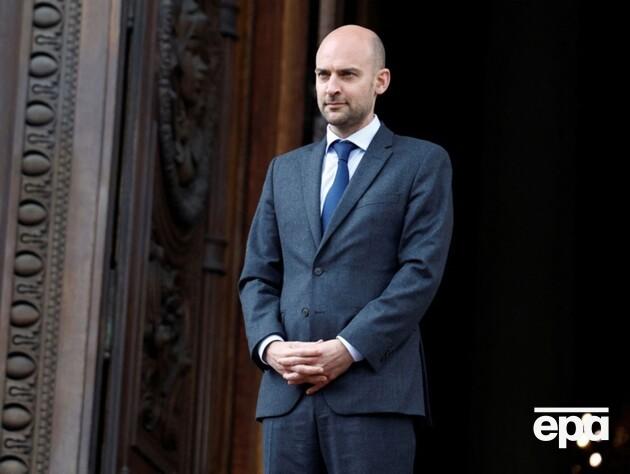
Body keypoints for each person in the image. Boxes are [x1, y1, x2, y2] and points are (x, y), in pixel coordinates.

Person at [239, 24, 453, 473]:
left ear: (381, 81)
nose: (331, 87)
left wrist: (348, 347)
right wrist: (270, 347)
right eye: (323, 75)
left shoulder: (421, 162)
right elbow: (258, 274)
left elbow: (420, 272)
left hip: (373, 394)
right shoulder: (284, 170)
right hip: (287, 395)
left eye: (347, 74)